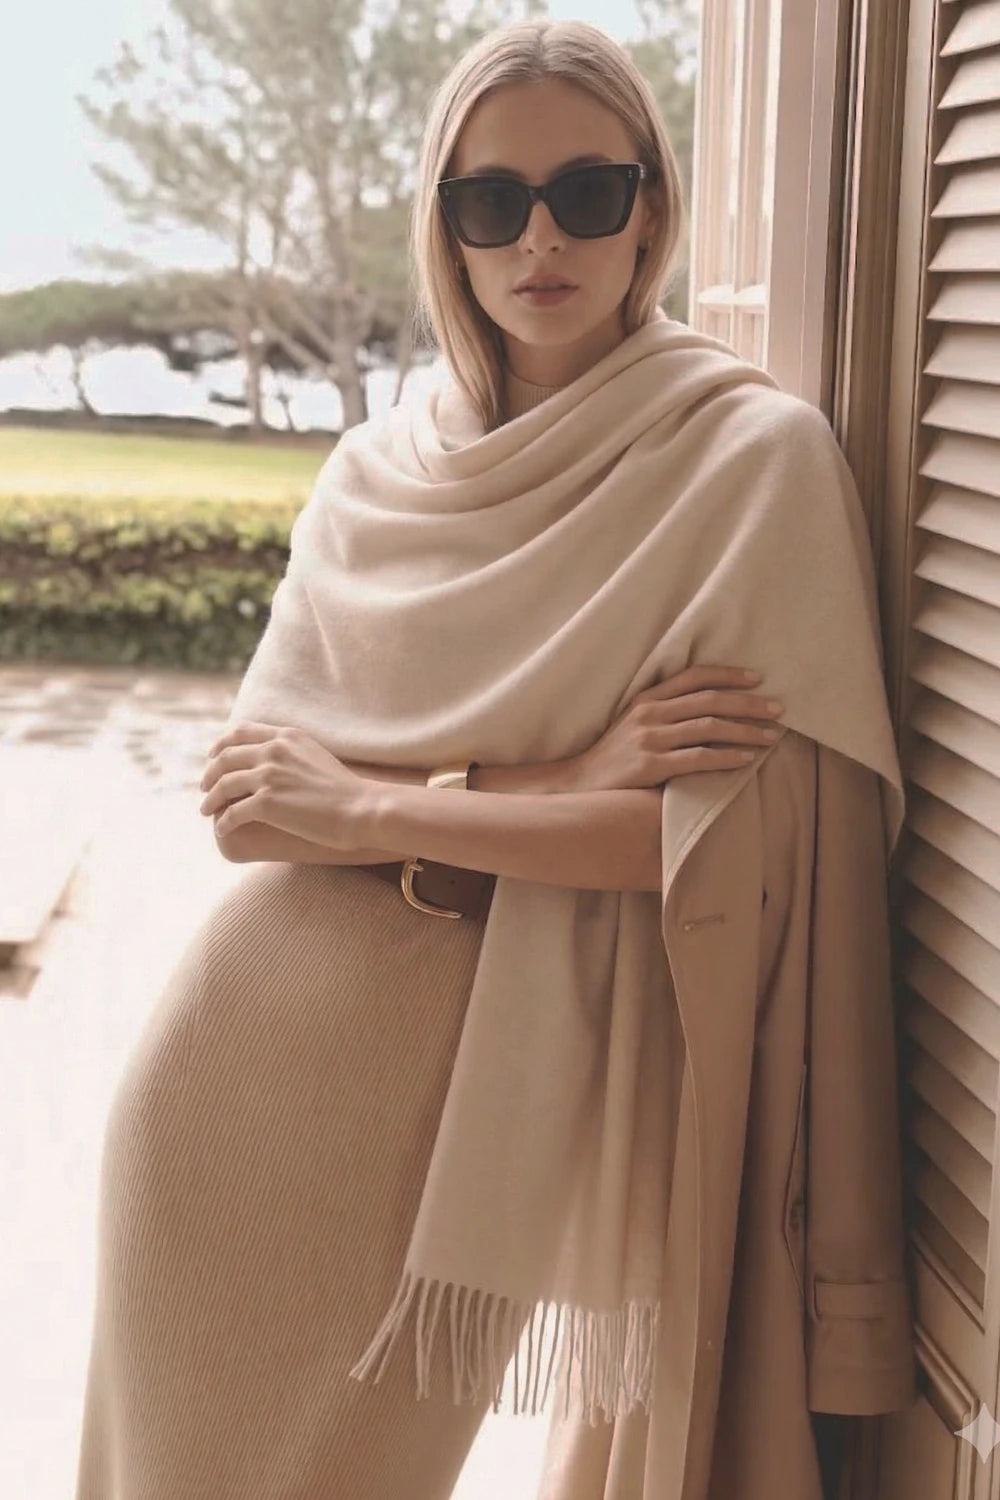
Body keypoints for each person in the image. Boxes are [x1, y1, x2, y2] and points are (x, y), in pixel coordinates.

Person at [74, 18, 913, 1500]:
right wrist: (555, 779)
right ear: (445, 229)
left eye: (588, 193)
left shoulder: (747, 463)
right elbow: (257, 815)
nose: (542, 237)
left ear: (652, 205)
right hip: (234, 1081)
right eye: (491, 201)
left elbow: (712, 848)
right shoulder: (375, 475)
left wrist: (373, 803)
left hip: (454, 1123)